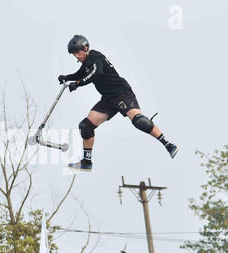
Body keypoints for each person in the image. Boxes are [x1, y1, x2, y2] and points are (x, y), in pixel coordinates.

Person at [59, 35, 178, 172]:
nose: (76, 56)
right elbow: (81, 73)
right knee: (85, 126)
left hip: (122, 93)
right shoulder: (86, 62)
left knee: (139, 121)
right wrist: (67, 77)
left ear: (85, 49)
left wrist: (78, 84)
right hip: (108, 100)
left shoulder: (96, 56)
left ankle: (168, 145)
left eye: (77, 52)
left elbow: (96, 73)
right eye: (74, 54)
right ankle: (86, 162)